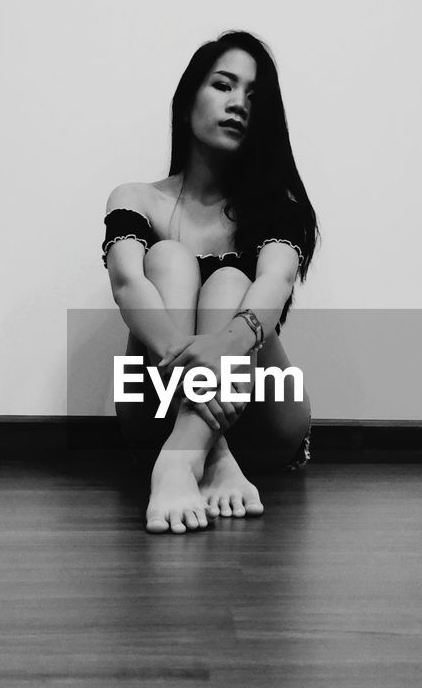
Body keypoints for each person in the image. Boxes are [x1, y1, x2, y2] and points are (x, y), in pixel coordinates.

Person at [102, 30, 318, 534]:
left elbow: (278, 278)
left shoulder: (273, 208)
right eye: (224, 85)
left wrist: (222, 346)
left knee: (227, 282)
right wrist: (192, 365)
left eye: (253, 97)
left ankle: (183, 459)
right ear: (186, 101)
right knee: (169, 259)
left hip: (262, 417)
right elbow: (127, 282)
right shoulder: (136, 198)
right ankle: (209, 454)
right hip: (157, 411)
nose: (239, 104)